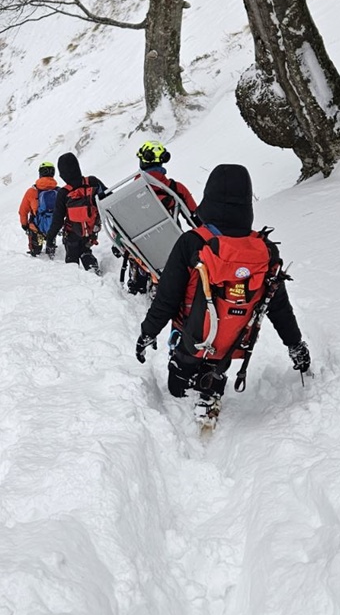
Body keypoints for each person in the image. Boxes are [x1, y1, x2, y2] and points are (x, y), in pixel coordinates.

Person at [134, 164, 311, 428]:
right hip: (230, 345)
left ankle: (189, 386)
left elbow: (167, 298)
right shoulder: (265, 250)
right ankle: (212, 383)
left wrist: (148, 332)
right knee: (215, 366)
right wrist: (295, 344)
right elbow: (278, 305)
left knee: (176, 389)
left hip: (190, 342)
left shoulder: (192, 243)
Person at [124, 141, 201, 295]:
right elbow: (196, 219)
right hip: (171, 247)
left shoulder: (129, 192)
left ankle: (139, 276)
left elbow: (121, 223)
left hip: (140, 247)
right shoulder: (176, 189)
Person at [44, 152, 106, 273]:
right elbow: (109, 198)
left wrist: (50, 239)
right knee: (86, 251)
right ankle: (93, 269)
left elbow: (57, 221)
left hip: (72, 233)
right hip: (90, 230)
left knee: (72, 259)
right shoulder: (92, 182)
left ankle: (74, 277)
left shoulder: (64, 192)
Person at [18, 161, 60, 258]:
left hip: (35, 227)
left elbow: (23, 211)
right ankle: (51, 251)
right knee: (51, 250)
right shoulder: (58, 191)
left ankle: (35, 252)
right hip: (53, 226)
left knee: (35, 254)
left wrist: (24, 225)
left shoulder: (32, 191)